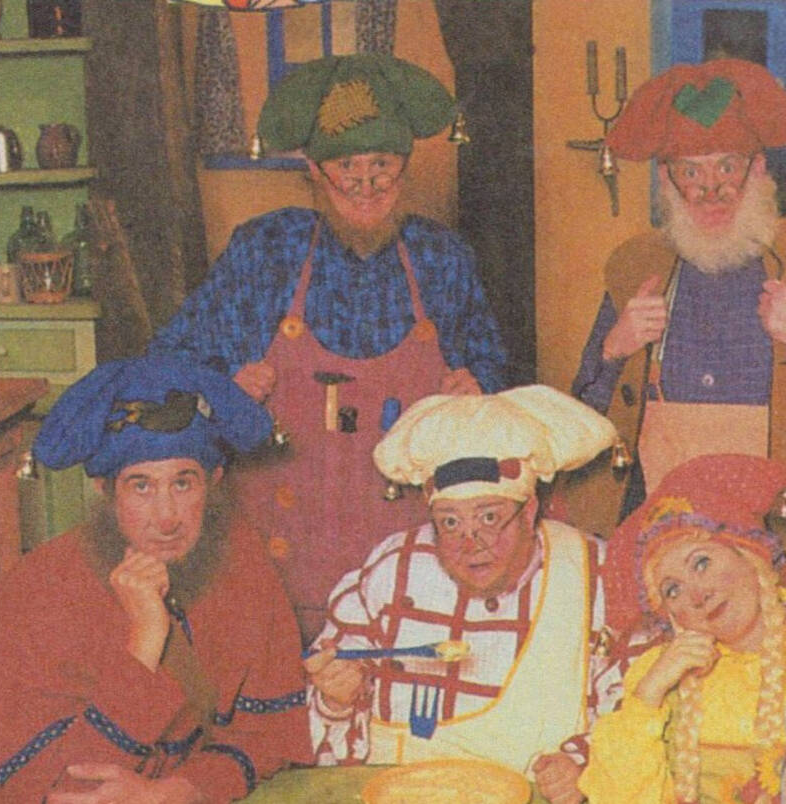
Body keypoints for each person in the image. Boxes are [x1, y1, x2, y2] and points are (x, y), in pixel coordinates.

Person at [148, 53, 510, 646]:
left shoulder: (441, 257)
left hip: (410, 563)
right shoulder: (268, 249)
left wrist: (477, 387)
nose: (367, 185)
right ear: (314, 170)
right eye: (347, 166)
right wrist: (225, 389)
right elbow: (167, 366)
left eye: (382, 165)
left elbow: (493, 373)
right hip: (277, 561)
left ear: (405, 167)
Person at [0, 356, 312, 803]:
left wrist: (179, 790)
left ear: (213, 481)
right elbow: (52, 790)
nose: (166, 518)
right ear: (105, 490)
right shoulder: (39, 590)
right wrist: (145, 639)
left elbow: (276, 735)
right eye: (141, 486)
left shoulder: (244, 564)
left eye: (183, 484)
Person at [304, 385, 626, 804]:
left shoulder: (591, 570)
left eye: (489, 517)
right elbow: (333, 735)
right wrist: (335, 699)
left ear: (529, 510)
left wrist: (585, 763)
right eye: (450, 523)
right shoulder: (395, 566)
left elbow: (634, 704)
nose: (470, 544)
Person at [569, 57, 786, 537]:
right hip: (661, 524)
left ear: (757, 170)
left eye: (727, 166)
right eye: (690, 172)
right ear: (666, 180)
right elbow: (581, 414)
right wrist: (613, 349)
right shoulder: (635, 266)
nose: (710, 189)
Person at [578, 453, 786, 804]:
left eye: (702, 563)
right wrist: (649, 694)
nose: (697, 595)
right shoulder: (659, 671)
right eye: (672, 590)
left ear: (749, 553)